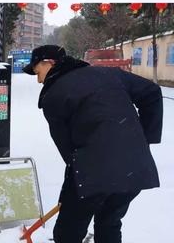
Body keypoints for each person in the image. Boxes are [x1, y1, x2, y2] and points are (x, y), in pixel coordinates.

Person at [22, 45, 163, 243]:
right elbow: (153, 92)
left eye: (38, 72)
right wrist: (144, 139)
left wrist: (68, 193)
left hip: (93, 173)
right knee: (109, 224)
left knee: (67, 233)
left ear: (49, 63)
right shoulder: (109, 74)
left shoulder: (53, 97)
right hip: (134, 167)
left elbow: (70, 153)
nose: (39, 80)